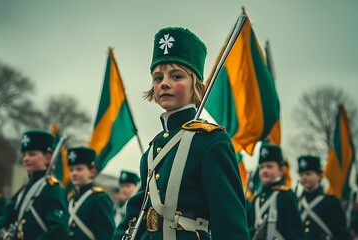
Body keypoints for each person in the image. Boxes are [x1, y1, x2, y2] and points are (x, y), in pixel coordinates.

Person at [112, 27, 249, 240]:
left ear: (196, 85)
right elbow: (136, 214)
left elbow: (230, 223)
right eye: (158, 78)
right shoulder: (152, 149)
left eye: (176, 76)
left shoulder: (211, 142)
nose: (164, 83)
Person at [0, 130, 69, 240]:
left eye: (32, 154)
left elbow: (59, 231)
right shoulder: (26, 188)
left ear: (48, 158)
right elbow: (7, 216)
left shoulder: (53, 190)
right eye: (24, 155)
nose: (26, 158)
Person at [248, 144, 305, 240]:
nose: (264, 170)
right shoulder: (257, 199)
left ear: (282, 170)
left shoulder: (287, 196)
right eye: (261, 167)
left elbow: (295, 233)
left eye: (269, 167)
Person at [67, 146, 115, 239]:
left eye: (79, 169)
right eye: (71, 170)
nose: (74, 173)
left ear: (92, 172)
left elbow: (106, 234)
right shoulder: (73, 198)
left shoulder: (99, 198)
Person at [297, 155, 349, 240]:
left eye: (308, 174)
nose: (304, 177)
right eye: (301, 174)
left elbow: (342, 234)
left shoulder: (331, 202)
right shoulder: (297, 202)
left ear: (320, 176)